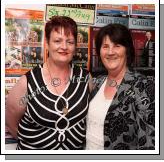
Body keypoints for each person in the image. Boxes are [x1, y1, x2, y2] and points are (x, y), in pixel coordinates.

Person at [6, 16, 91, 150]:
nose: (64, 47)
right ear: (46, 43)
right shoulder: (27, 82)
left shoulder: (85, 78)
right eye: (57, 41)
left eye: (70, 42)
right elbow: (12, 124)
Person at [86, 24, 155, 150]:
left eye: (117, 46)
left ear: (127, 50)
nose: (110, 52)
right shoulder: (97, 82)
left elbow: (149, 143)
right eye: (105, 46)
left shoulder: (143, 87)